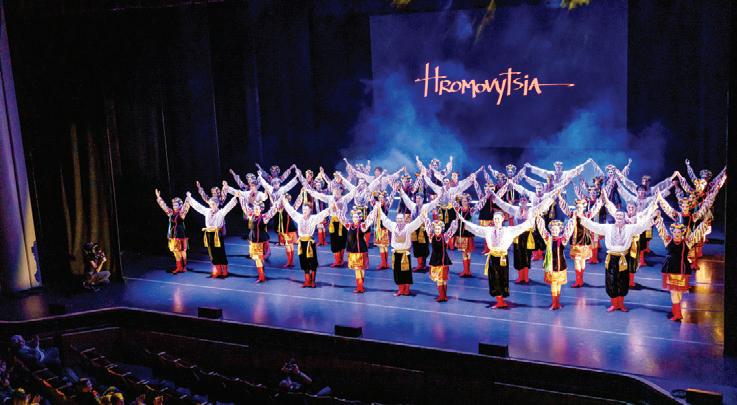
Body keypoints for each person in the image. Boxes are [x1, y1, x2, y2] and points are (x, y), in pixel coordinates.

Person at [578, 206, 658, 312]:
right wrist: (582, 218)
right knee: (611, 281)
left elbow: (642, 226)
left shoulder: (630, 228)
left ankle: (621, 304)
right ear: (615, 217)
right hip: (611, 258)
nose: (619, 217)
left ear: (625, 218)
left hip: (623, 258)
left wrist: (654, 217)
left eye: (621, 216)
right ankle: (614, 304)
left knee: (623, 281)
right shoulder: (608, 228)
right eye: (617, 216)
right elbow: (594, 226)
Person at [653, 213, 708, 321]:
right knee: (673, 292)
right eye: (675, 232)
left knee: (678, 293)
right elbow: (662, 229)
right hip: (670, 269)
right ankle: (677, 313)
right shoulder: (668, 240)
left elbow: (697, 233)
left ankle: (676, 311)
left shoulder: (687, 242)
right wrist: (658, 218)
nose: (676, 234)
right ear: (672, 232)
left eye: (679, 232)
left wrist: (705, 223)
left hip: (682, 270)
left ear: (682, 233)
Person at [378, 196, 438, 296]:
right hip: (396, 254)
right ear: (396, 219)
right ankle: (400, 289)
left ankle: (406, 290)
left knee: (406, 273)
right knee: (397, 272)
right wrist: (378, 209)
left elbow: (417, 221)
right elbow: (384, 219)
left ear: (404, 220)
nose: (399, 220)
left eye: (401, 219)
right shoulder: (392, 226)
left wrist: (423, 214)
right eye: (398, 219)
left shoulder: (408, 227)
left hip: (405, 254)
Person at [186, 182, 242, 278]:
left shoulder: (221, 213)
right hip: (209, 234)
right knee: (212, 252)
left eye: (213, 204)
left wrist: (235, 197)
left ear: (217, 204)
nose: (211, 206)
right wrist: (190, 198)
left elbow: (228, 206)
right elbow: (198, 207)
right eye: (210, 204)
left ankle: (224, 270)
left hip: (217, 234)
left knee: (220, 251)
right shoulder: (207, 211)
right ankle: (217, 269)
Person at [281, 195, 333, 288]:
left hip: (310, 243)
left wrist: (332, 206)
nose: (304, 211)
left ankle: (313, 281)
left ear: (310, 210)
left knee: (312, 263)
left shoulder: (314, 218)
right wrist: (284, 202)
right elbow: (291, 211)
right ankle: (307, 281)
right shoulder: (299, 217)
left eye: (306, 209)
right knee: (304, 262)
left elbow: (324, 213)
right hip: (301, 243)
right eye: (303, 209)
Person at [535, 217, 575, 310]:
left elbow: (569, 231)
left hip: (561, 264)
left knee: (558, 284)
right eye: (552, 229)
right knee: (553, 284)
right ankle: (554, 303)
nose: (554, 231)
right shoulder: (548, 239)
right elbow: (542, 230)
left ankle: (557, 302)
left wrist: (572, 220)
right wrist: (538, 218)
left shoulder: (562, 240)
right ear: (550, 230)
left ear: (560, 230)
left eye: (556, 229)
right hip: (551, 265)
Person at [340, 206, 379, 293]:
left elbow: (369, 220)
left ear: (360, 218)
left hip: (361, 250)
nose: (355, 219)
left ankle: (360, 287)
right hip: (353, 251)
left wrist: (375, 209)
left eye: (357, 217)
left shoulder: (362, 226)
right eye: (354, 217)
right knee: (358, 269)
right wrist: (336, 207)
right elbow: (342, 218)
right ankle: (360, 286)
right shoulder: (349, 226)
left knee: (360, 269)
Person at [155, 189, 190, 274]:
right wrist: (159, 197)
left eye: (176, 205)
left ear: (179, 205)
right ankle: (179, 267)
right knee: (175, 251)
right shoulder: (171, 212)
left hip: (180, 235)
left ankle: (184, 266)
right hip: (172, 235)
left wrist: (188, 198)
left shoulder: (182, 213)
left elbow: (186, 206)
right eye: (173, 204)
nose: (174, 206)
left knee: (182, 251)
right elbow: (164, 206)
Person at [423, 218, 458, 302]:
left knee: (443, 279)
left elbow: (452, 229)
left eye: (439, 229)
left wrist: (456, 220)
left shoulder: (445, 237)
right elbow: (428, 226)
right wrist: (425, 217)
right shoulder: (431, 236)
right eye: (436, 229)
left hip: (443, 260)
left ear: (442, 229)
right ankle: (443, 296)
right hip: (435, 260)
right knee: (440, 280)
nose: (437, 231)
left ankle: (443, 296)